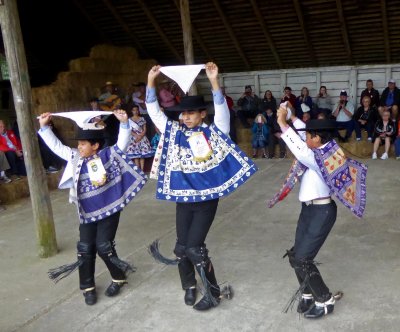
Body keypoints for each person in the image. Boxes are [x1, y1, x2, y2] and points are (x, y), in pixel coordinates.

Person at [146, 62, 257, 311]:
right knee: (181, 247)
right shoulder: (173, 131)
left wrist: (214, 80)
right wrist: (150, 82)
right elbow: (154, 112)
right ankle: (189, 286)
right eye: (183, 114)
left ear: (202, 114)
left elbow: (222, 110)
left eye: (191, 113)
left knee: (195, 247)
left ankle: (213, 293)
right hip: (184, 200)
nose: (185, 118)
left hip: (206, 201)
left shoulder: (216, 131)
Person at [38, 110, 147, 306]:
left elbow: (122, 142)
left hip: (109, 209)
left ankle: (118, 277)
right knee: (85, 248)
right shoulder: (75, 158)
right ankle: (87, 287)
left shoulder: (108, 155)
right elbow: (57, 147)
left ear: (95, 146)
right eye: (78, 144)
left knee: (104, 246)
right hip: (86, 212)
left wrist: (123, 123)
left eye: (82, 144)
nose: (79, 147)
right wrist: (44, 128)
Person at [272, 106, 367, 319]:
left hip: (322, 211)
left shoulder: (321, 157)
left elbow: (300, 149)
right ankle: (307, 293)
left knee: (303, 258)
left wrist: (282, 123)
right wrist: (293, 117)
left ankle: (325, 300)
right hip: (309, 210)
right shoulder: (323, 148)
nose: (304, 136)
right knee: (296, 256)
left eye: (307, 135)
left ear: (316, 138)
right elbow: (302, 134)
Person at [126, 104, 154, 170]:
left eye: (137, 110)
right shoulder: (129, 120)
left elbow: (144, 129)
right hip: (134, 138)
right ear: (131, 111)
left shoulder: (142, 118)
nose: (135, 111)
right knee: (136, 155)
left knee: (142, 155)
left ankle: (142, 170)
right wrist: (136, 136)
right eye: (134, 110)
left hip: (142, 138)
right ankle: (138, 170)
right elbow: (129, 130)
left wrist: (141, 136)